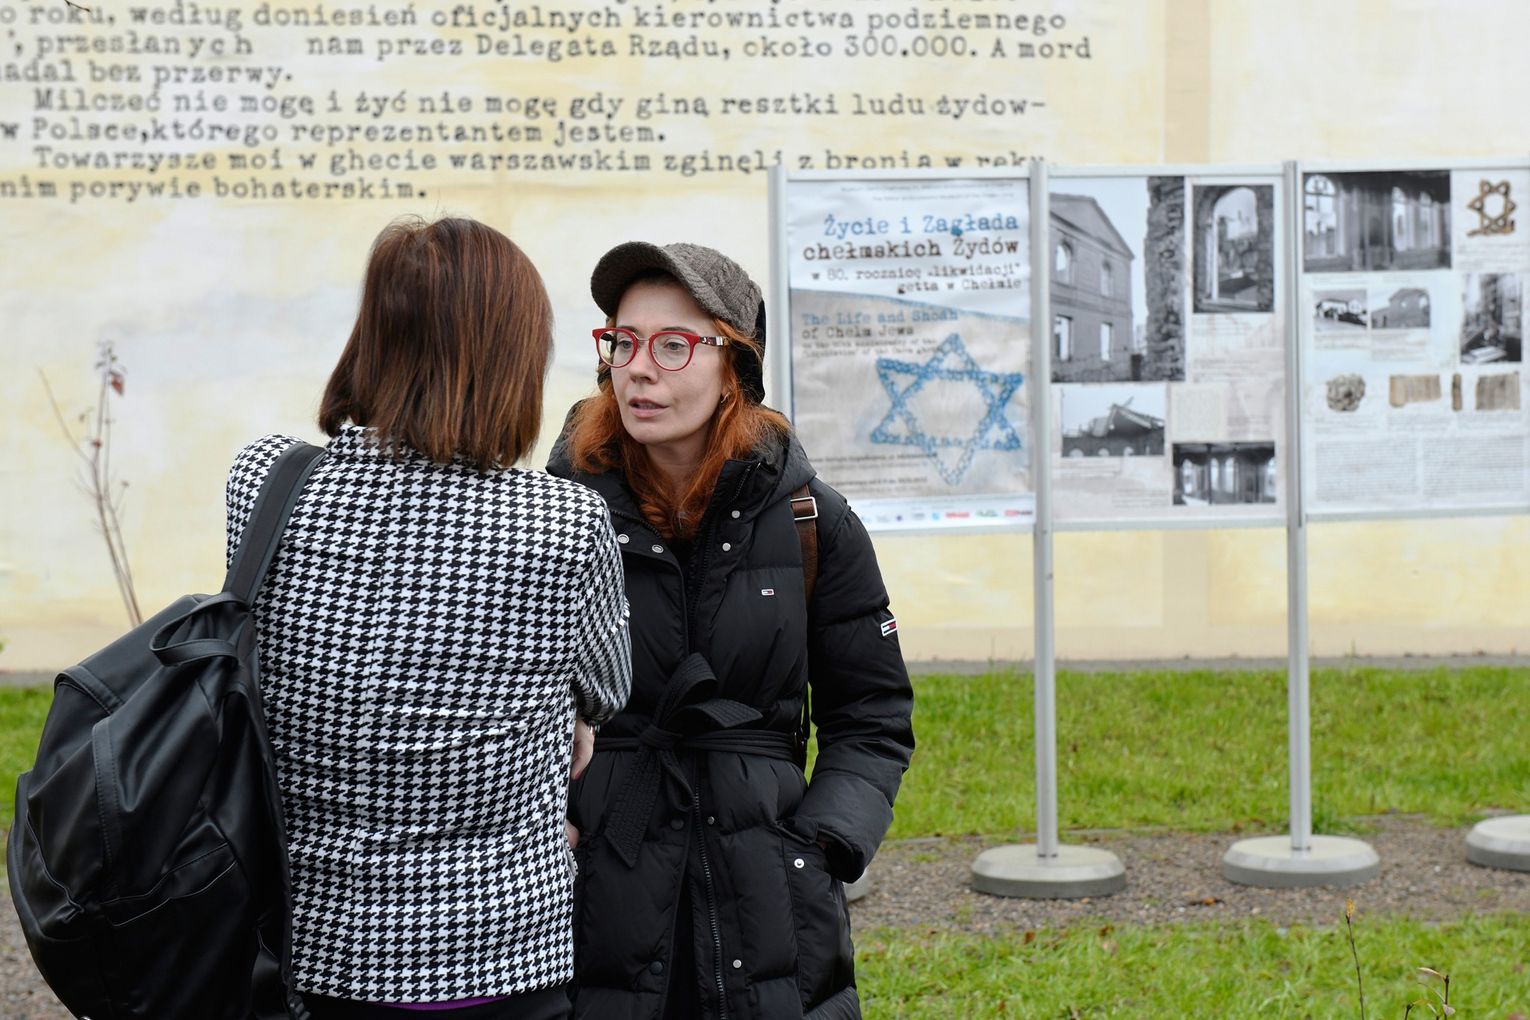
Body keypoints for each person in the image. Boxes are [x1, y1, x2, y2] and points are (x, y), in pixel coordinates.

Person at [224, 217, 631, 1020]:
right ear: (512, 357)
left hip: (309, 943)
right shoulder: (565, 522)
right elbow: (609, 690)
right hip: (499, 948)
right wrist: (563, 718)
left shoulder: (266, 483)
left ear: (372, 341)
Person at [548, 241, 915, 1019]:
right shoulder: (554, 516)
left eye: (673, 345)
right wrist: (559, 827)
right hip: (600, 887)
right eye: (623, 342)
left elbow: (872, 715)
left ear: (734, 367)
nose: (638, 369)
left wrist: (821, 843)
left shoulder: (813, 520)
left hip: (769, 891)